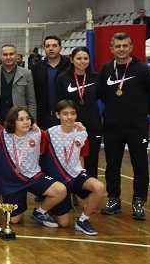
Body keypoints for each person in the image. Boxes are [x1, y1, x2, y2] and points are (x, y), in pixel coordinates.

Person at [98, 33, 150, 220]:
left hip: (137, 127)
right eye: (118, 46)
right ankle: (114, 199)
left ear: (131, 48)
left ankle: (139, 201)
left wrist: (143, 111)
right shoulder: (106, 69)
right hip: (112, 126)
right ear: (112, 49)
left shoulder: (142, 69)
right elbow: (102, 94)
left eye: (125, 46)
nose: (121, 49)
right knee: (112, 165)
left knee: (140, 165)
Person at [0, 107, 67, 227]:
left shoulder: (38, 133)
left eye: (28, 118)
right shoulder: (2, 135)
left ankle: (41, 212)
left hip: (34, 177)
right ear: (13, 122)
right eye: (21, 119)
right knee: (14, 220)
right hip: (12, 182)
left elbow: (61, 132)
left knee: (60, 190)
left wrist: (76, 126)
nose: (26, 122)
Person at [43, 100, 104, 235]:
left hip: (76, 176)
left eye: (72, 113)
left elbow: (82, 156)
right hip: (59, 180)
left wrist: (82, 176)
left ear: (76, 115)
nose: (69, 117)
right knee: (63, 223)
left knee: (99, 187)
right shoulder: (49, 134)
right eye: (65, 114)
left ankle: (83, 220)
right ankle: (51, 208)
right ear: (58, 115)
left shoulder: (82, 134)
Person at [54, 47, 101, 180]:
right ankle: (71, 188)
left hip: (92, 125)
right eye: (79, 58)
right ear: (72, 60)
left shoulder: (96, 77)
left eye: (85, 58)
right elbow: (58, 102)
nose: (82, 61)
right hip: (70, 127)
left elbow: (100, 96)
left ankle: (90, 189)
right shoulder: (63, 78)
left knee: (92, 161)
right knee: (70, 160)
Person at [0, 44, 37, 123]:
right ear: (0, 57)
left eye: (11, 54)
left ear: (16, 56)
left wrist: (32, 121)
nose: (8, 57)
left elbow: (31, 101)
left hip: (19, 119)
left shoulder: (26, 74)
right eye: (5, 54)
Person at [32, 36, 70, 129]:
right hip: (43, 117)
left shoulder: (69, 67)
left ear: (60, 48)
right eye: (48, 46)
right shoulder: (36, 68)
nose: (51, 48)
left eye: (54, 46)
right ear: (44, 48)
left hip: (65, 115)